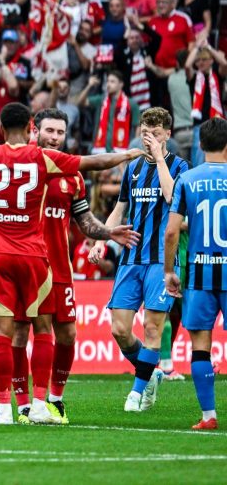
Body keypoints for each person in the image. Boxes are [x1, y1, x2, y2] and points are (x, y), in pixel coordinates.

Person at [0, 102, 144, 424]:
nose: (54, 137)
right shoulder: (45, 160)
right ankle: (33, 405)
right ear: (32, 129)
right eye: (49, 130)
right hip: (35, 258)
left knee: (17, 333)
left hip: (5, 257)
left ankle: (11, 409)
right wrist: (130, 153)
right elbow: (95, 161)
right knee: (37, 333)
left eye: (60, 132)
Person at [87, 107, 189, 412]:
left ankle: (136, 392)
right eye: (146, 133)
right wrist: (101, 240)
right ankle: (152, 372)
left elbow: (173, 199)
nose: (150, 139)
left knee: (153, 328)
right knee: (118, 329)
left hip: (162, 259)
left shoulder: (180, 166)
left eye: (156, 134)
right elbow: (120, 208)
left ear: (168, 134)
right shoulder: (132, 169)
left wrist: (159, 158)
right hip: (131, 258)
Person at [164, 118, 227, 430]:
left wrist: (168, 271)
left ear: (200, 145)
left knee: (200, 344)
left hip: (200, 274)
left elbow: (172, 232)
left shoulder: (187, 179)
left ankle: (208, 417)